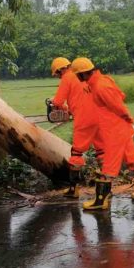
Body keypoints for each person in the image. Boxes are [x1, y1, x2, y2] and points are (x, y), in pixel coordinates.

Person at [71, 57, 134, 210]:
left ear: (82, 74)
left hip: (115, 130)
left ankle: (101, 201)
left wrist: (127, 116)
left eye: (77, 75)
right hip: (118, 129)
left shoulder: (100, 85)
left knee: (108, 166)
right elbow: (120, 95)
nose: (77, 78)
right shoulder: (98, 82)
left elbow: (117, 103)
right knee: (133, 160)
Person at [50, 57, 103, 198]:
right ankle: (105, 189)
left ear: (62, 69)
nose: (58, 76)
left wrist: (54, 104)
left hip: (83, 118)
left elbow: (58, 101)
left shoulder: (67, 78)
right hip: (98, 115)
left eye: (57, 73)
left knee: (76, 153)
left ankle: (74, 189)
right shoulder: (82, 75)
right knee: (101, 151)